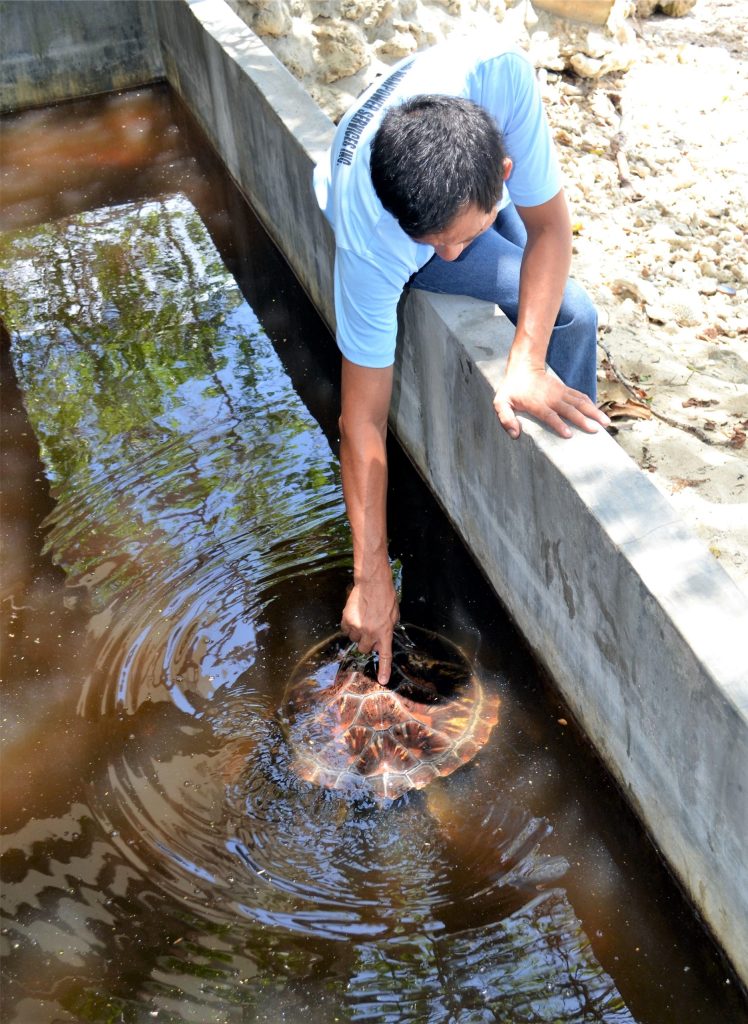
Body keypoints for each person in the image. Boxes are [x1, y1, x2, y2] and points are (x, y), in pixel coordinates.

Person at [312, 34, 610, 684]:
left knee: (572, 314)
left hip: (458, 171)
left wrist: (527, 361)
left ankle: (566, 479)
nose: (446, 258)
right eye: (431, 244)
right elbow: (361, 423)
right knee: (496, 275)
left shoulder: (503, 81)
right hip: (353, 180)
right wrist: (370, 578)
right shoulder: (375, 240)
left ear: (503, 172)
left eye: (460, 239)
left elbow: (550, 228)